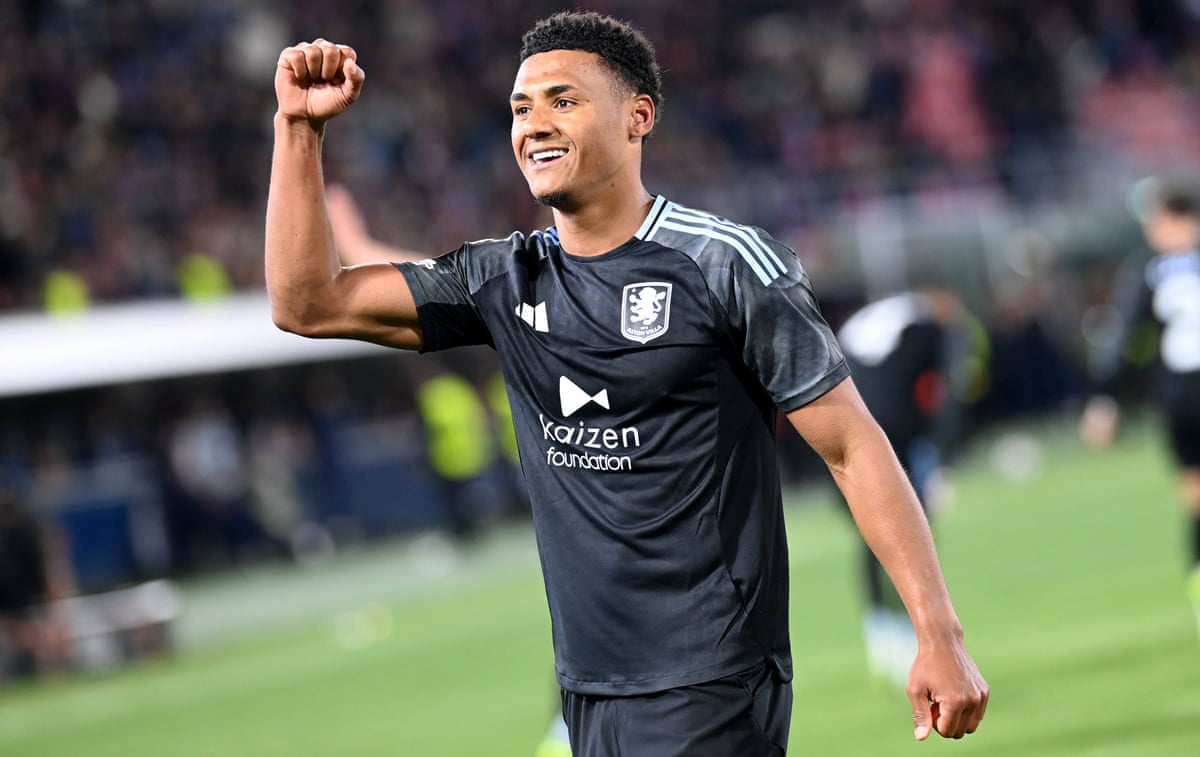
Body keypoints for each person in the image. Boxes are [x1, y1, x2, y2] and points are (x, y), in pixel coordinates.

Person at [266, 11, 988, 754]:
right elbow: (307, 302)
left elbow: (852, 446)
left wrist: (937, 633)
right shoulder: (503, 278)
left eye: (563, 100)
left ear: (638, 116)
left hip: (710, 676)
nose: (534, 124)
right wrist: (298, 129)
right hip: (590, 686)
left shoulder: (727, 265)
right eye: (520, 107)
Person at [836, 284, 981, 690]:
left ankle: (880, 628)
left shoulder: (883, 316)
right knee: (909, 531)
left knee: (869, 533)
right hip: (885, 431)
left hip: (840, 424)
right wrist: (944, 460)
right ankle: (914, 635)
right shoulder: (928, 327)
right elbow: (949, 391)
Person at [1081, 176, 1200, 632]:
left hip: (1180, 395)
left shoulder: (1150, 269)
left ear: (1172, 216)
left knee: (1195, 498)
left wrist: (1106, 399)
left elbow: (1127, 337)